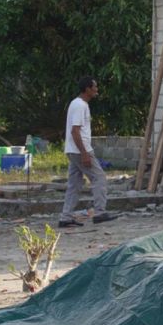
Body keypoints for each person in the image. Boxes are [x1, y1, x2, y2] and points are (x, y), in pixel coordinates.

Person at [59, 77, 118, 227]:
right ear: (87, 89)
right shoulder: (80, 106)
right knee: (99, 178)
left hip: (73, 150)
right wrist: (84, 153)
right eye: (95, 87)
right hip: (80, 150)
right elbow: (75, 131)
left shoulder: (77, 103)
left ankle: (65, 217)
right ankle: (100, 212)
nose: (96, 90)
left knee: (74, 184)